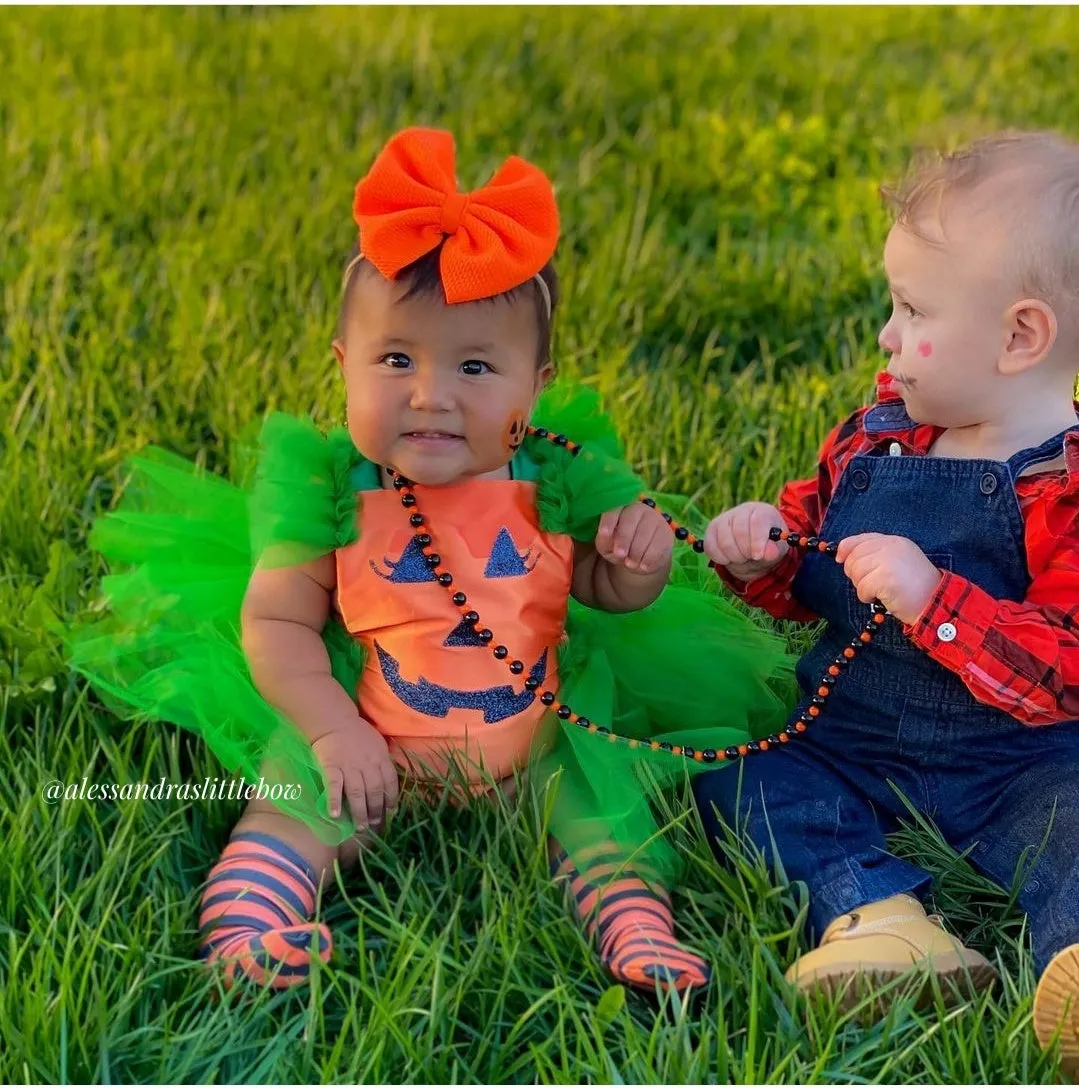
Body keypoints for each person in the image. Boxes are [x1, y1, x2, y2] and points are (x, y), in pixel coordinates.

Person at [68, 127, 791, 996]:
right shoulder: (329, 489)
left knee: (594, 818)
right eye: (396, 359)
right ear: (344, 368)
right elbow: (277, 620)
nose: (430, 394)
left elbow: (596, 591)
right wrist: (336, 731)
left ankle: (634, 929)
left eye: (475, 366)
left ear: (533, 387)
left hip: (530, 736)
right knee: (294, 808)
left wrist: (632, 569)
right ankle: (252, 922)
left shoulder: (555, 477)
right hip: (372, 726)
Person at [697, 130, 1079, 1069]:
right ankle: (885, 920)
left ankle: (1068, 960)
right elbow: (814, 550)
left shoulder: (1061, 488)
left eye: (911, 310)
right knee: (735, 775)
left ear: (1019, 336)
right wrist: (759, 551)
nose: (885, 335)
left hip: (1019, 768)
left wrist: (935, 599)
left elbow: (1064, 667)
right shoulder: (879, 435)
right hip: (851, 744)